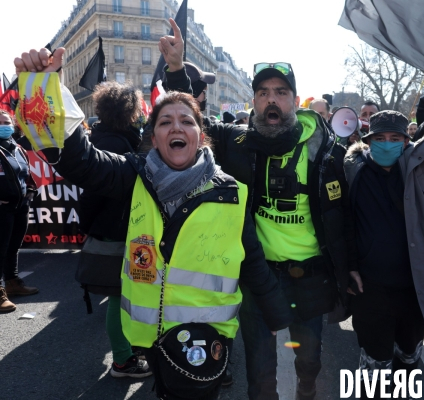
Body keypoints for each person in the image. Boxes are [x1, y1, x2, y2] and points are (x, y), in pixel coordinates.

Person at [14, 47, 294, 400]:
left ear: (200, 135)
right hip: (148, 337)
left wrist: (279, 316)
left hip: (204, 340)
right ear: (155, 137)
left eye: (186, 120)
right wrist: (41, 85)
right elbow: (80, 161)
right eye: (165, 122)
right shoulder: (135, 175)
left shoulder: (232, 193)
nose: (176, 126)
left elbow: (251, 259)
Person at [158, 20, 352, 400]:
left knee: (309, 360)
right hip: (257, 278)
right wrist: (177, 70)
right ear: (254, 102)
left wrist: (352, 267)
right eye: (263, 93)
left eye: (281, 92)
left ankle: (307, 390)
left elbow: (342, 218)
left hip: (311, 275)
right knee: (260, 373)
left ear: (295, 101)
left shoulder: (324, 150)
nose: (272, 100)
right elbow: (193, 121)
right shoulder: (237, 142)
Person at [344, 76, 424, 397]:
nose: (387, 144)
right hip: (370, 289)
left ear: (405, 141)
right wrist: (346, 266)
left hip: (416, 286)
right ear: (368, 140)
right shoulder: (352, 168)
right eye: (379, 138)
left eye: (395, 138)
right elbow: (341, 223)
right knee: (375, 364)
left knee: (408, 357)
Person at [77, 82, 151, 378]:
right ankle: (123, 360)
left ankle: (129, 351)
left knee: (125, 295)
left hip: (117, 229)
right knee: (120, 297)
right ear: (130, 112)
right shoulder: (116, 144)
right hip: (117, 232)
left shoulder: (112, 138)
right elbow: (94, 195)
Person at [0, 110, 38, 313]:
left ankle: (12, 282)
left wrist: (30, 189)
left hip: (20, 206)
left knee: (13, 246)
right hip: (2, 208)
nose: (4, 125)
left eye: (6, 122)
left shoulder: (18, 148)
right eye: (0, 122)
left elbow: (26, 174)